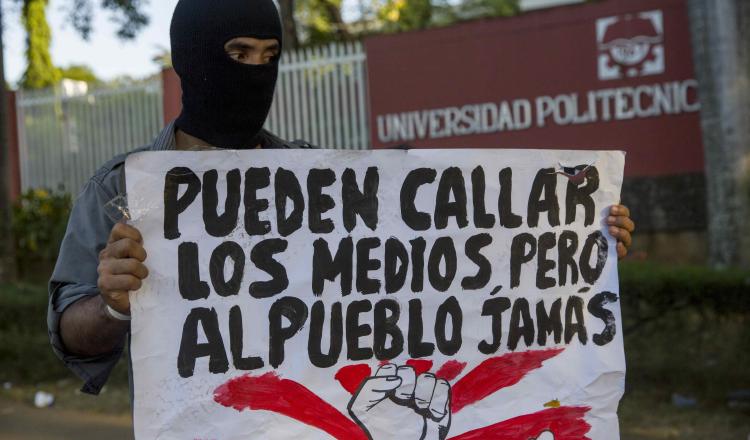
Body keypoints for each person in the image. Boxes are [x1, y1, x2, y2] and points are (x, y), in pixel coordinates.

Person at [47, 0, 636, 398]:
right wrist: (115, 303)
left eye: (269, 57)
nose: (256, 72)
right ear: (192, 59)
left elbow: (442, 261)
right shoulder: (120, 189)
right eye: (238, 54)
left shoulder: (316, 180)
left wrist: (580, 239)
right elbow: (70, 332)